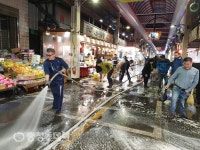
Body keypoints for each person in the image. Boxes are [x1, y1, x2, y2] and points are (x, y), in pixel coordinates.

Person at [43, 48, 69, 116]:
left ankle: (58, 109)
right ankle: (55, 105)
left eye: (50, 55)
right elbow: (47, 73)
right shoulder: (46, 62)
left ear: (54, 54)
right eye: (47, 55)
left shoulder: (59, 60)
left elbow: (66, 66)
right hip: (52, 81)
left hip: (59, 80)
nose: (48, 57)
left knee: (60, 95)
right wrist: (47, 81)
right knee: (55, 94)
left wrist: (63, 70)